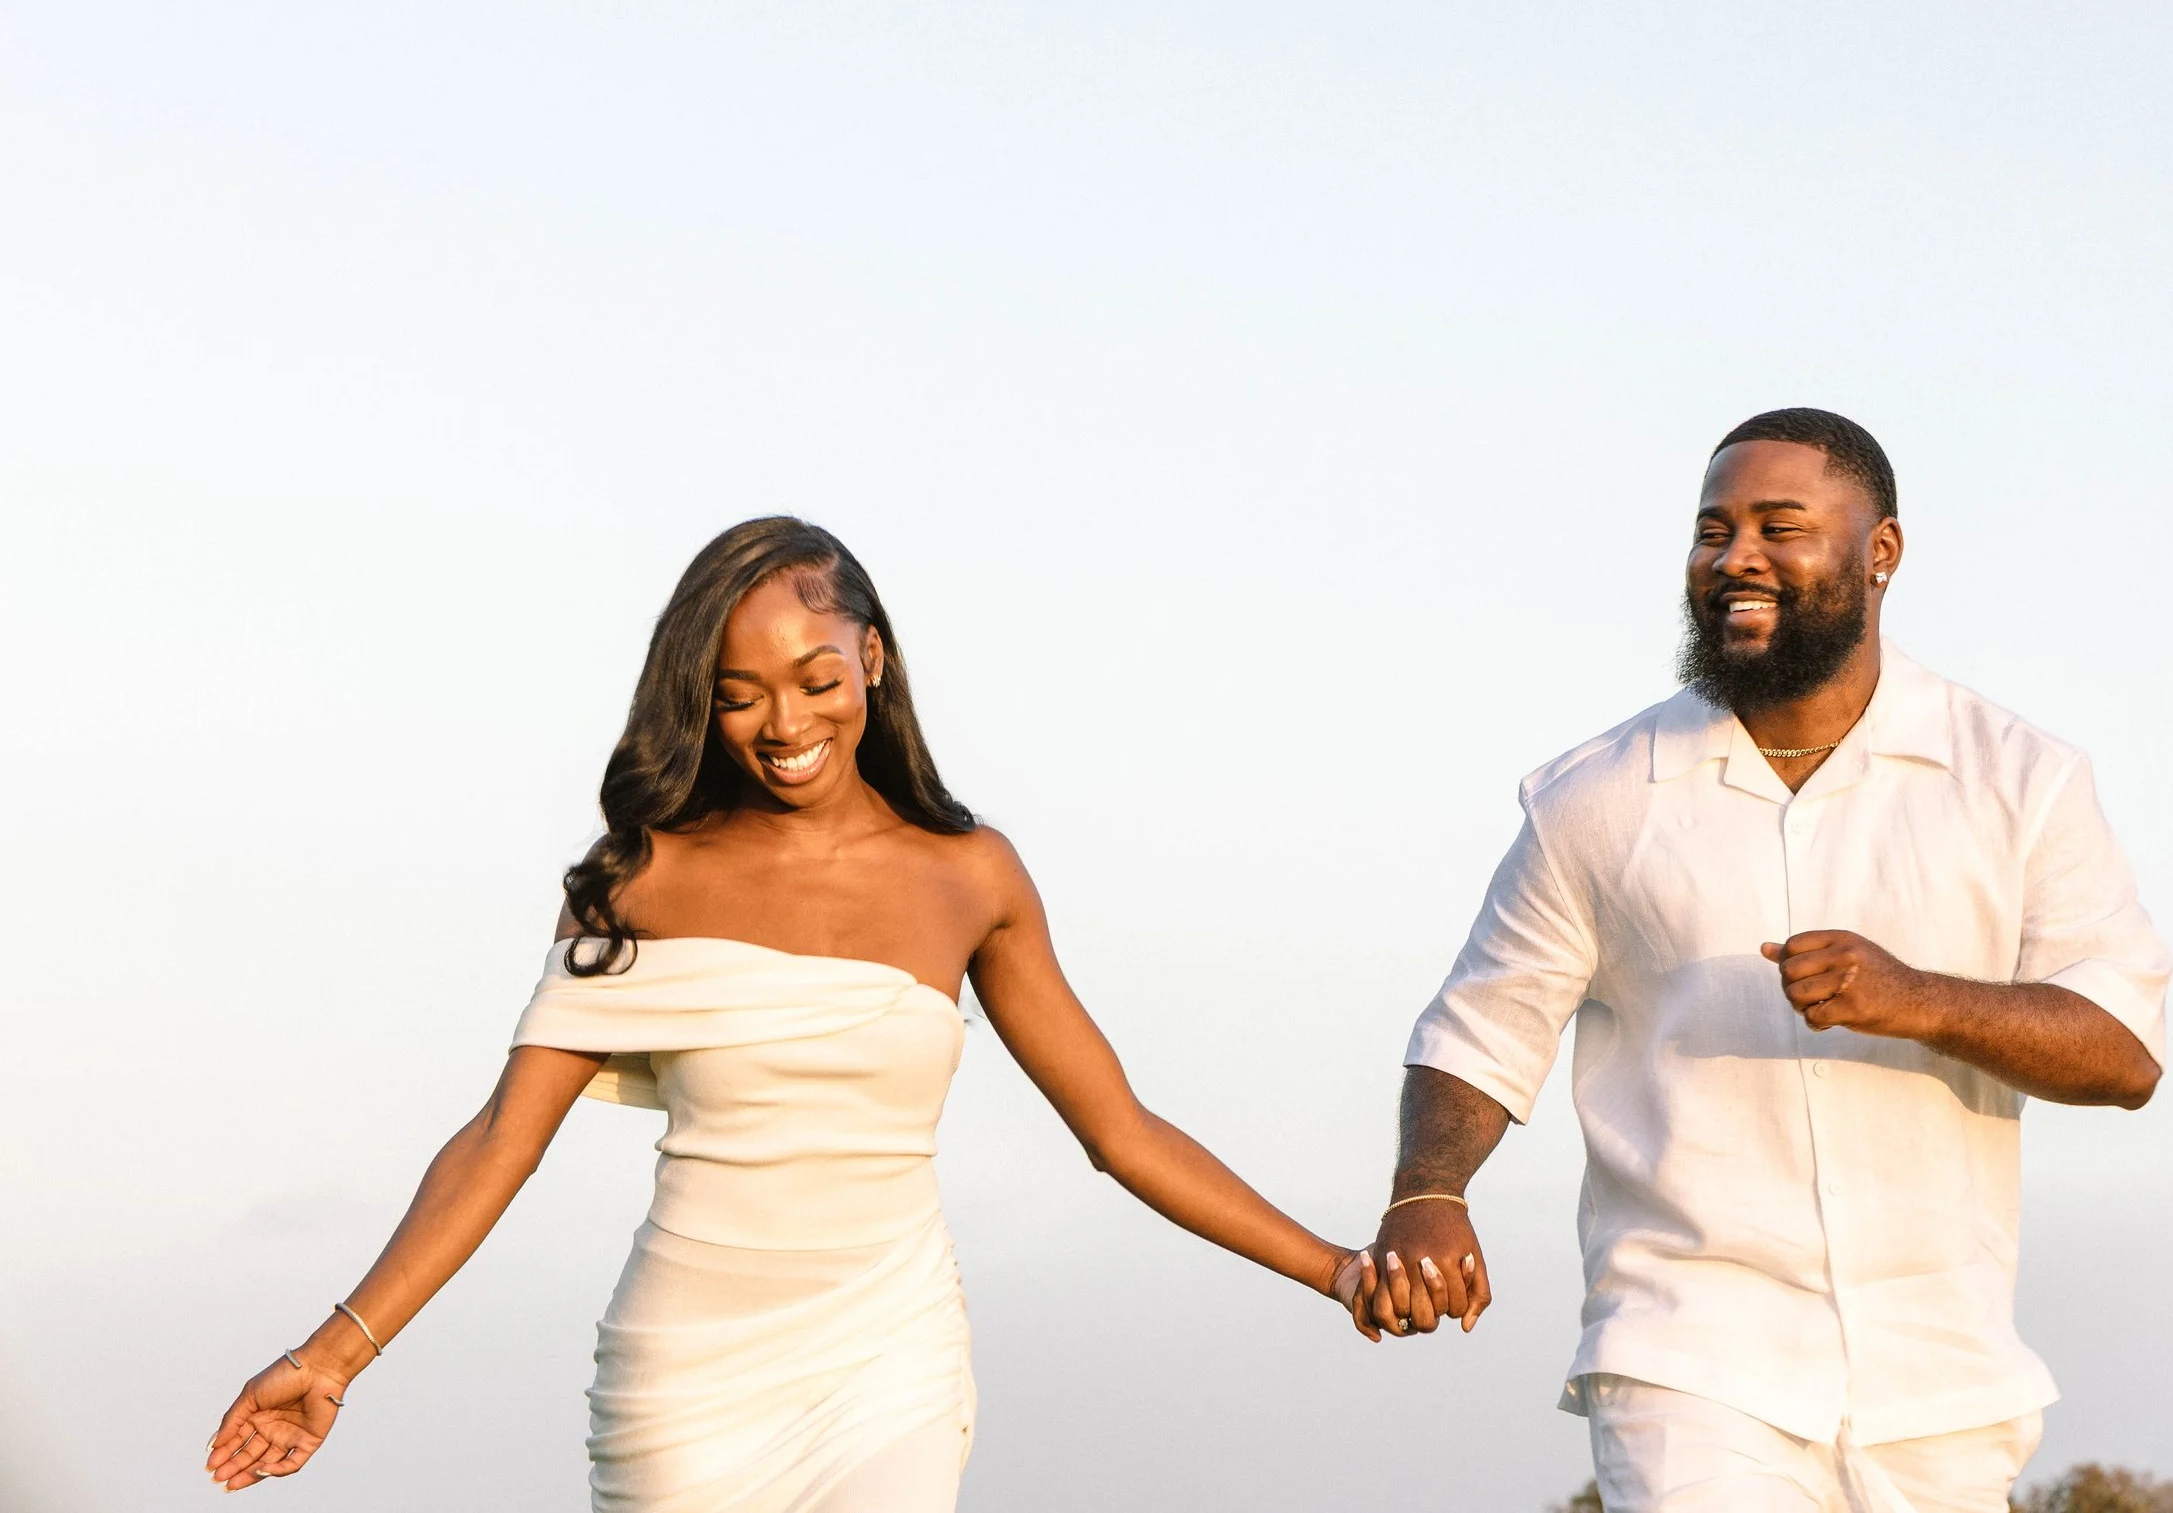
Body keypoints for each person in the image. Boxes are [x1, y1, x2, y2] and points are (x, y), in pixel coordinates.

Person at [204, 516, 1369, 1510]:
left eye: (817, 678)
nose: (785, 723)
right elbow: (503, 1138)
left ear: (875, 659)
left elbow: (1123, 1132)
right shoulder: (636, 879)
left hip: (888, 1359)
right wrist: (334, 1355)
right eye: (738, 696)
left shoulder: (972, 876)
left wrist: (1336, 1270)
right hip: (685, 1383)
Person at [1351, 410, 2171, 1512]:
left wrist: (1917, 998)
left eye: (1778, 527)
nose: (1735, 557)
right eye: (1712, 531)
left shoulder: (2020, 779)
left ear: (1880, 552)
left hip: (1943, 1378)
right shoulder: (1590, 797)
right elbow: (1482, 1028)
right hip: (1689, 1353)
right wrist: (1428, 1190)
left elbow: (2122, 1052)